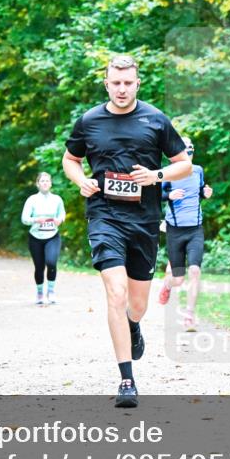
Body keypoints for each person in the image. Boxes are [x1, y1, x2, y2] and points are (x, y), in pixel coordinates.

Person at [62, 54, 191, 408]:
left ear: (137, 83)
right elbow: (70, 159)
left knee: (136, 304)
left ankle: (134, 325)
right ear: (106, 83)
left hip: (144, 222)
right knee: (115, 294)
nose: (121, 89)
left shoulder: (155, 119)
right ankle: (126, 380)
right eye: (115, 83)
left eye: (128, 83)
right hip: (104, 217)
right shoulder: (89, 121)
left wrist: (156, 176)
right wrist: (81, 181)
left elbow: (184, 164)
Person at [158, 137, 213, 330]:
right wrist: (168, 196)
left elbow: (197, 192)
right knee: (178, 279)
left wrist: (205, 193)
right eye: (184, 152)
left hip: (195, 229)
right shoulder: (167, 173)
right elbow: (154, 195)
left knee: (195, 271)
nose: (187, 156)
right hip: (175, 230)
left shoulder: (198, 171)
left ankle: (189, 315)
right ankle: (167, 285)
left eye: (190, 152)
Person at [21, 172, 66, 305]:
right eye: (42, 181)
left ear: (51, 184)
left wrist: (60, 220)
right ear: (37, 184)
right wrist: (36, 220)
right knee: (39, 267)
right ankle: (40, 293)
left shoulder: (57, 199)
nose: (45, 183)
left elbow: (62, 213)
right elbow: (24, 219)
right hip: (35, 238)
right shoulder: (31, 200)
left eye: (47, 181)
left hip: (52, 236)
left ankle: (51, 291)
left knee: (51, 262)